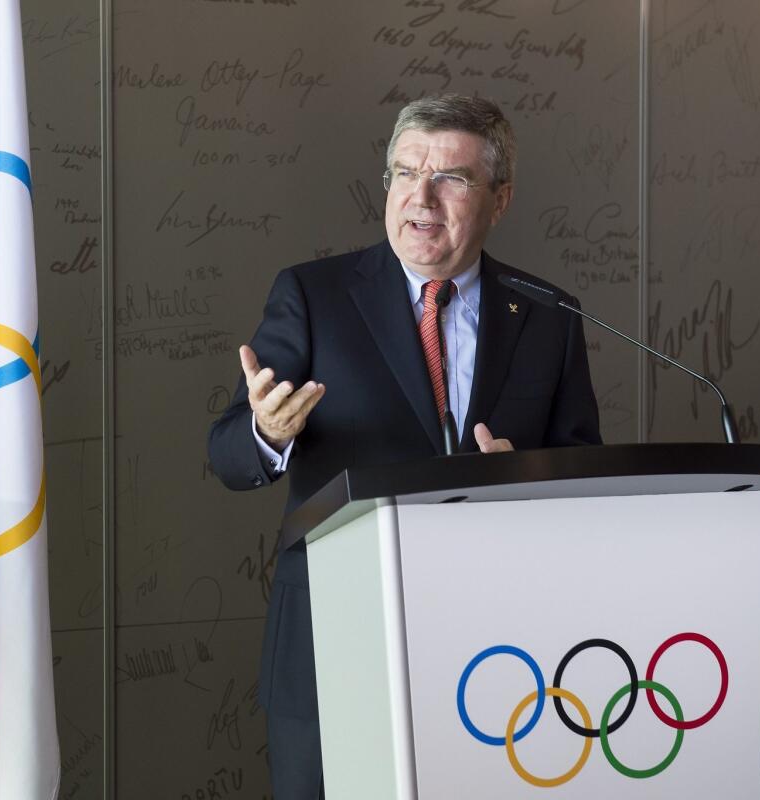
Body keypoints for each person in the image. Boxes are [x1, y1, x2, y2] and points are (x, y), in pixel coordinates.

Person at [207, 93, 601, 799]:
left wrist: (530, 479)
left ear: (499, 199)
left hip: (496, 653)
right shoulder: (313, 295)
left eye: (450, 177)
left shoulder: (549, 314)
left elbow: (583, 470)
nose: (420, 197)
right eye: (403, 172)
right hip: (333, 647)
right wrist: (268, 432)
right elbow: (228, 455)